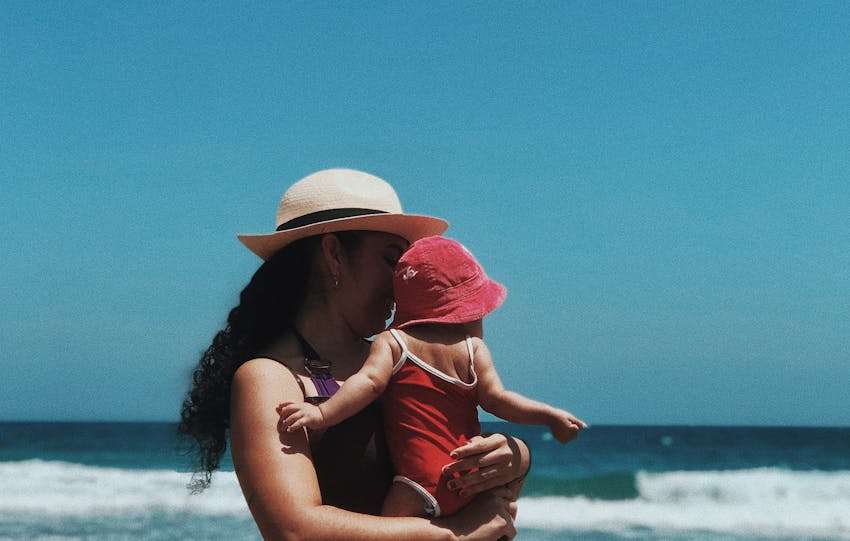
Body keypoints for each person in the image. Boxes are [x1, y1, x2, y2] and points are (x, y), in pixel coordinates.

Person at [179, 169, 531, 540]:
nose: (401, 285)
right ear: (333, 255)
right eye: (392, 262)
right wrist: (452, 534)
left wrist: (514, 455)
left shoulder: (396, 360)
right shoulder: (270, 377)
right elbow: (294, 529)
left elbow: (453, 461)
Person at [279, 235, 586, 518]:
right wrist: (549, 416)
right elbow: (499, 401)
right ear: (468, 310)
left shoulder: (394, 342)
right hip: (466, 476)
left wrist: (321, 413)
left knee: (392, 532)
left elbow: (369, 383)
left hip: (417, 482)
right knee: (498, 521)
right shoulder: (474, 350)